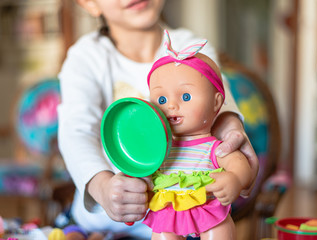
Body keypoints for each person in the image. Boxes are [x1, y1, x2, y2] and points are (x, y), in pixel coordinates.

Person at [57, 0, 258, 238]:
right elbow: (76, 132)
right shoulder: (85, 56)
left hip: (189, 223)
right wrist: (102, 187)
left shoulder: (190, 46)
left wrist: (232, 136)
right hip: (99, 223)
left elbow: (222, 106)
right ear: (89, 3)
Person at [142, 30, 252, 239]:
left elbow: (239, 163)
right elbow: (143, 171)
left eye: (185, 96)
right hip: (169, 210)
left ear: (217, 103)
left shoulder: (214, 147)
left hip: (207, 208)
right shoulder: (159, 149)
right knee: (163, 235)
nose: (172, 105)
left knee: (219, 231)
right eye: (162, 100)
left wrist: (235, 179)